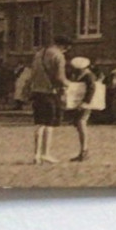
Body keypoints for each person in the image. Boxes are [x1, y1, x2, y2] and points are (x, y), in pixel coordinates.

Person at [28, 35, 70, 164]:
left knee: (39, 124)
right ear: (64, 47)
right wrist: (68, 84)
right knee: (49, 124)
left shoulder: (39, 54)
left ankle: (36, 155)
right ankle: (46, 153)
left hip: (36, 91)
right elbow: (60, 77)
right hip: (50, 92)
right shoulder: (58, 56)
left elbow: (32, 74)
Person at [63, 56, 101, 161]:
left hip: (85, 104)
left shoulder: (89, 76)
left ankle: (84, 150)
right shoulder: (79, 75)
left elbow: (91, 89)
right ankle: (83, 150)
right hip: (78, 103)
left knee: (81, 123)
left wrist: (85, 102)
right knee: (79, 125)